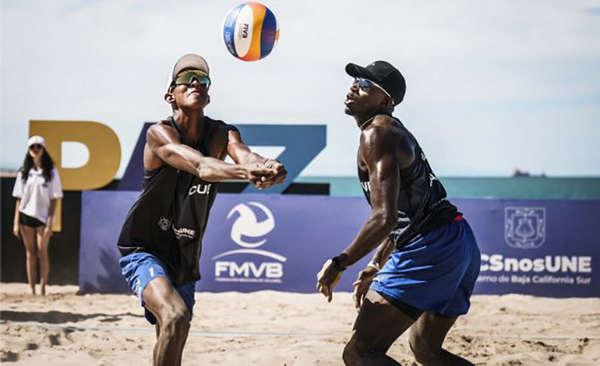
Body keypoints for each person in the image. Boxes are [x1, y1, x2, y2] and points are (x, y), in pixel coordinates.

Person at [117, 54, 287, 366]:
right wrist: (246, 173)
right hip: (144, 248)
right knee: (176, 316)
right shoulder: (159, 134)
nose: (196, 82)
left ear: (208, 94)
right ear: (170, 94)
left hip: (185, 256)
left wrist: (266, 166)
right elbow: (201, 166)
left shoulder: (223, 133)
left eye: (203, 80)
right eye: (186, 78)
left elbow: (245, 156)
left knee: (172, 333)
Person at [317, 61, 481, 365]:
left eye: (365, 84)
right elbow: (407, 213)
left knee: (360, 352)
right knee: (426, 350)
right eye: (355, 80)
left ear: (386, 102)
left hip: (432, 248)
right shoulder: (389, 131)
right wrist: (377, 263)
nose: (354, 86)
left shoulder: (377, 133)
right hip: (459, 242)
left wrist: (340, 263)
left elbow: (385, 218)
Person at [12, 135, 63, 296]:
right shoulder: (24, 172)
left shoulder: (51, 172)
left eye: (38, 147)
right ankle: (31, 287)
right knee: (30, 253)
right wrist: (16, 222)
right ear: (28, 150)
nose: (35, 150)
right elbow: (19, 199)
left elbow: (55, 199)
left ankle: (42, 286)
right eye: (32, 147)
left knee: (42, 252)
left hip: (42, 217)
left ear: (43, 149)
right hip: (26, 215)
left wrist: (50, 222)